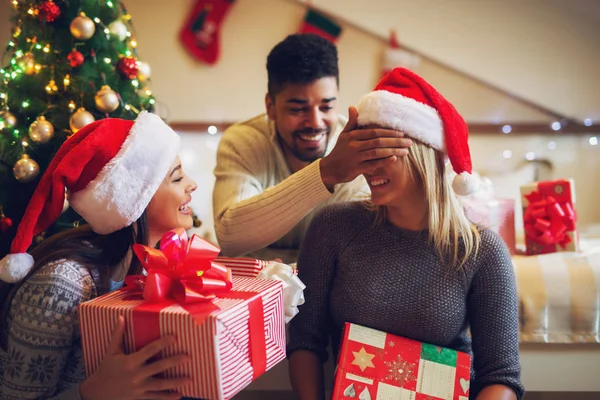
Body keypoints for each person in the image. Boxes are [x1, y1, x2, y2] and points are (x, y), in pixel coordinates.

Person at [287, 68, 524, 400]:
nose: (368, 167)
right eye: (364, 152)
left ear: (421, 151)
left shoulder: (481, 251)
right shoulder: (333, 227)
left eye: (382, 151)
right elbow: (304, 339)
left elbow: (500, 376)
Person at [0, 112, 196, 400]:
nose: (192, 184)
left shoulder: (155, 263)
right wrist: (92, 393)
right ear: (134, 200)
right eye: (177, 177)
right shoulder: (61, 284)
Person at [213, 34, 412, 263]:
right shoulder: (243, 142)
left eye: (326, 107)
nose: (315, 122)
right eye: (298, 109)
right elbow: (231, 238)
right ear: (271, 107)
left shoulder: (357, 146)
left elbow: (364, 246)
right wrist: (325, 173)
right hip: (257, 289)